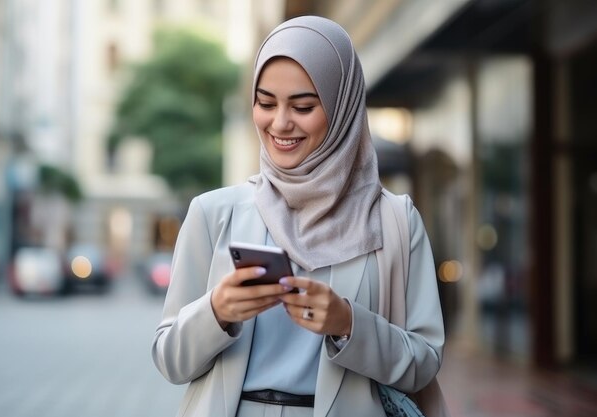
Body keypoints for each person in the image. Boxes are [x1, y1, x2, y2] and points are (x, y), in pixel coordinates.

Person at [152, 15, 449, 417]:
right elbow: (170, 361)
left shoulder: (394, 219)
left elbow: (424, 363)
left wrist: (349, 323)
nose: (280, 123)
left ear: (341, 106)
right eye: (266, 103)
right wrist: (217, 312)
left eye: (304, 106)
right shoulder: (213, 212)